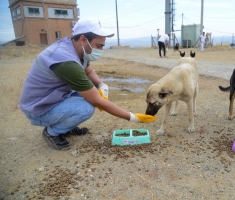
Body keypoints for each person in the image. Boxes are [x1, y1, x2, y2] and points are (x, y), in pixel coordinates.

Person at [19, 19, 156, 151]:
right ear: (83, 39)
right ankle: (52, 132)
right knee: (86, 108)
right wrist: (132, 117)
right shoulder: (67, 62)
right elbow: (98, 102)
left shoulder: (75, 47)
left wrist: (102, 85)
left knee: (92, 93)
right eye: (99, 46)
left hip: (52, 97)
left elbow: (88, 70)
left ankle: (66, 126)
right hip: (39, 109)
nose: (101, 50)